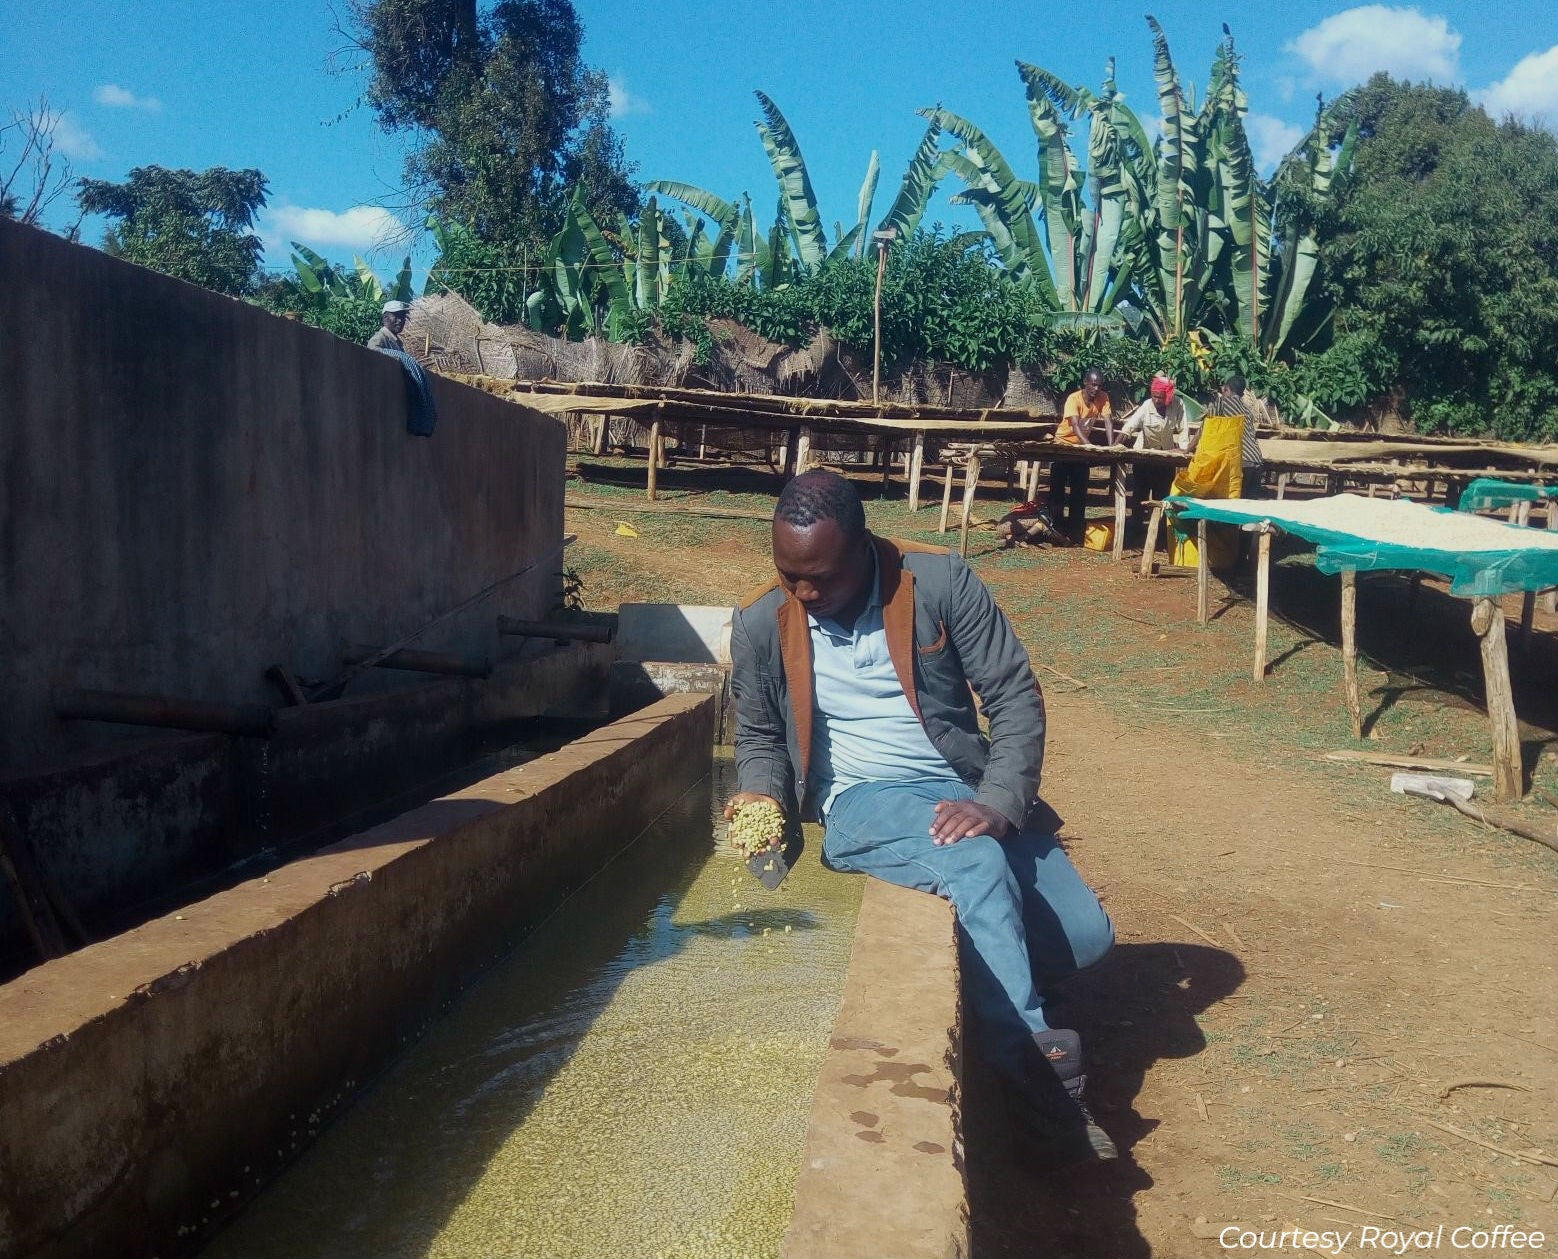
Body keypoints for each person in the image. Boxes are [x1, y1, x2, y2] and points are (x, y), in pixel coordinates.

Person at [727, 470, 1117, 1164]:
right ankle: (1034, 1074)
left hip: (958, 780)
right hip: (859, 796)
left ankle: (986, 978)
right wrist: (761, 795)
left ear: (865, 547)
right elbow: (758, 738)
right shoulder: (764, 620)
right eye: (791, 575)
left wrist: (997, 803)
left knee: (1086, 936)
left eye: (821, 576)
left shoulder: (938, 584)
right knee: (971, 861)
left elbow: (1015, 697)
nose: (805, 592)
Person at [1118, 374, 1196, 526]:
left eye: (1160, 397)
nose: (1156, 400)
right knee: (1140, 496)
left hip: (1165, 460)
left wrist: (1183, 450)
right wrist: (1114, 446)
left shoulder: (1178, 405)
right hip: (1144, 459)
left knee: (1163, 497)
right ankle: (1135, 531)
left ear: (1167, 396)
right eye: (1154, 396)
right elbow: (1128, 428)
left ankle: (1160, 535)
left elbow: (1183, 430)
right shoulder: (1146, 406)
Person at [1049, 368, 1113, 542]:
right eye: (1093, 385)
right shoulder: (1073, 399)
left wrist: (1112, 446)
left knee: (1079, 491)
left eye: (1099, 385)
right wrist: (1090, 446)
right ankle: (1056, 530)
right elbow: (1076, 427)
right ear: (1085, 383)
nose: (1096, 389)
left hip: (1081, 449)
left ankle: (1076, 532)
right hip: (1063, 447)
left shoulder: (1103, 398)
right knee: (1057, 492)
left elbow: (1108, 421)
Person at [1208, 372, 1265, 497]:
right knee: (1248, 506)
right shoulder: (1247, 411)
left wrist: (1187, 449)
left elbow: (1205, 426)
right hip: (1256, 460)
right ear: (1242, 394)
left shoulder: (1222, 402)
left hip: (1242, 461)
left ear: (1226, 389)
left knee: (1233, 503)